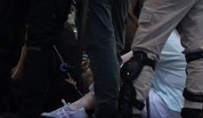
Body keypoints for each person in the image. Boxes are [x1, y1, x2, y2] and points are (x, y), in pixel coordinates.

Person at [43, 31, 187, 118]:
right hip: (174, 104)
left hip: (168, 108)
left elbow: (122, 62)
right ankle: (77, 109)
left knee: (122, 77)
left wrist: (94, 70)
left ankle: (75, 109)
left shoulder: (164, 38)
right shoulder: (173, 36)